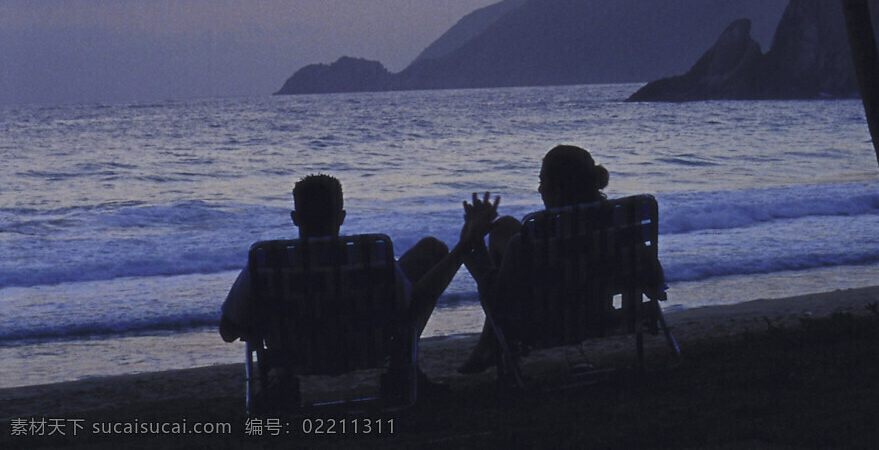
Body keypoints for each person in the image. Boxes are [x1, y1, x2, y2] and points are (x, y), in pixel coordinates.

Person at [219, 171, 499, 390]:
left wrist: (262, 323)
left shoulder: (268, 263)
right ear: (341, 216)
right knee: (425, 262)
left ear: (295, 218)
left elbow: (228, 331)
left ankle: (279, 382)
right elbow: (412, 306)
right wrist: (465, 245)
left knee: (428, 251)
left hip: (293, 358)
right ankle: (402, 372)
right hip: (369, 350)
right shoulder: (371, 256)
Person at [459, 144, 663, 373]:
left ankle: (490, 347)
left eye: (542, 181)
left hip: (543, 326)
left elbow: (497, 301)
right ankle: (487, 346)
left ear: (558, 188)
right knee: (506, 226)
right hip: (601, 317)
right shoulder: (624, 230)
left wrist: (471, 241)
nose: (538, 189)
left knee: (507, 236)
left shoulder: (530, 245)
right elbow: (656, 282)